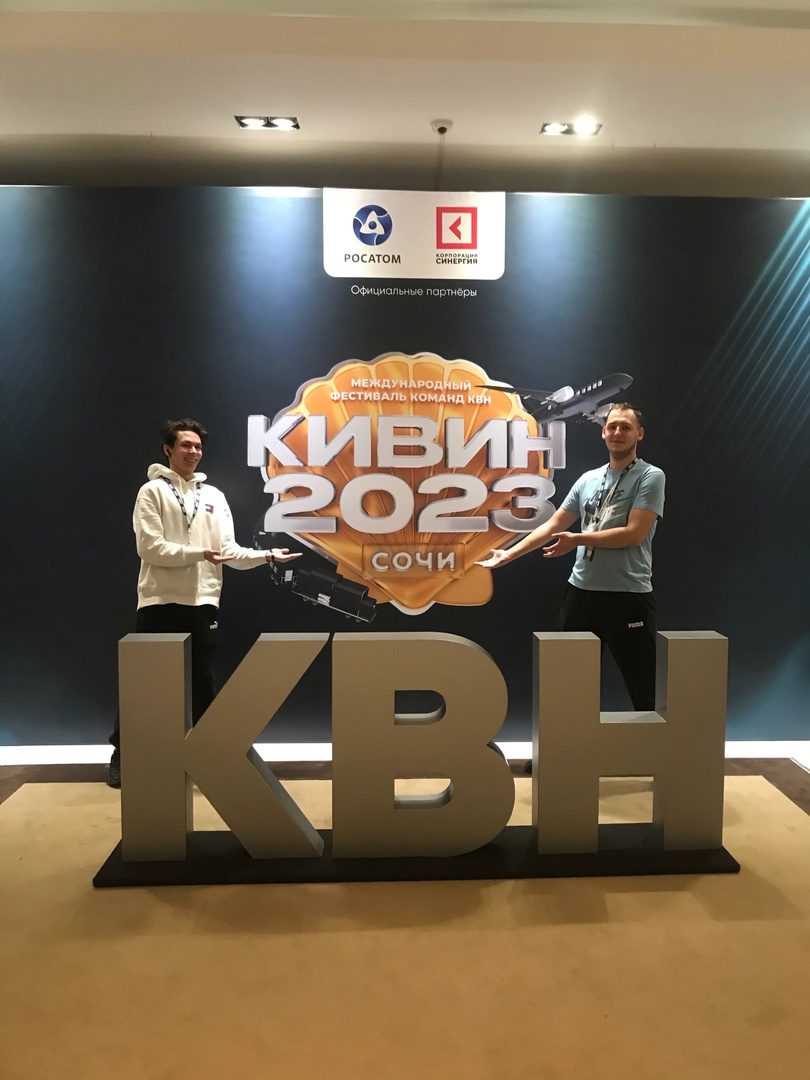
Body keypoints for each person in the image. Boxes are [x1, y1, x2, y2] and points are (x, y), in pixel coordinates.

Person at [107, 418, 301, 788]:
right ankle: (122, 755)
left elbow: (228, 552)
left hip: (203, 603)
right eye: (185, 445)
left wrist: (267, 556)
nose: (193, 452)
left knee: (201, 681)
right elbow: (150, 548)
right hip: (159, 600)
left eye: (197, 446)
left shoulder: (214, 496)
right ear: (168, 449)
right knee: (146, 684)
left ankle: (210, 758)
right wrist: (200, 553)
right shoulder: (152, 492)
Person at [478, 402, 665, 713]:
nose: (618, 432)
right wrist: (507, 555)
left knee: (644, 688)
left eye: (626, 427)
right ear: (603, 433)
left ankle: (651, 746)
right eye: (612, 426)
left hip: (627, 595)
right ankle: (574, 745)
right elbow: (552, 526)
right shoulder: (588, 479)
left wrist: (577, 539)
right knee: (573, 687)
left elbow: (634, 534)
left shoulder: (650, 476)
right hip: (581, 594)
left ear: (640, 434)